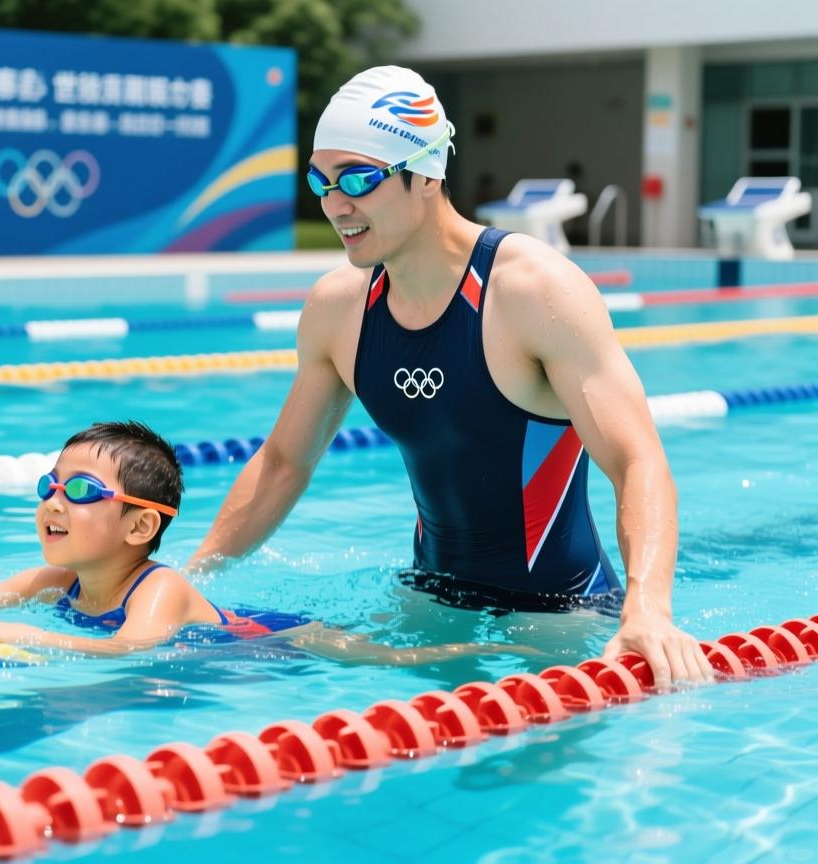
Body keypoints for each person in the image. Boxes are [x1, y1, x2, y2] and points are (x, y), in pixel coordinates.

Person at [187, 66, 713, 690]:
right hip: (425, 605)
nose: (335, 204)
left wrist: (647, 609)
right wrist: (193, 578)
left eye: (358, 178)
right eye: (320, 181)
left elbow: (637, 460)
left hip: (557, 621)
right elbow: (283, 464)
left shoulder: (531, 291)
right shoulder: (339, 309)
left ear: (427, 173)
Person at [0, 420, 516, 665]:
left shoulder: (159, 588)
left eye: (80, 490)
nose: (53, 502)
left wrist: (28, 636)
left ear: (139, 527)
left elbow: (132, 648)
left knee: (395, 657)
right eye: (48, 486)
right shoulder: (58, 582)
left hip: (278, 641)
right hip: (230, 640)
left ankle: (493, 655)